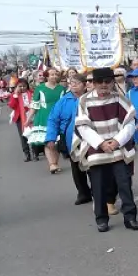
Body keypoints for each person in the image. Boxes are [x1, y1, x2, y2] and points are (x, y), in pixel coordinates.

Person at [75, 67, 138, 233]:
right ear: (93, 83)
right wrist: (101, 143)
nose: (103, 85)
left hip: (117, 149)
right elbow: (83, 127)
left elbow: (129, 123)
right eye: (99, 81)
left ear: (113, 82)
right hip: (97, 151)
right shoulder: (84, 101)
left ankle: (130, 218)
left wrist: (117, 141)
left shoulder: (120, 98)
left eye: (107, 81)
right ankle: (101, 219)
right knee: (98, 187)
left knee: (124, 185)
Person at [46, 73, 92, 205]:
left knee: (93, 166)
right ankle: (83, 193)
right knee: (76, 168)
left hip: (89, 139)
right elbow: (53, 120)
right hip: (71, 139)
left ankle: (98, 191)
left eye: (76, 83)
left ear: (84, 85)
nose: (73, 85)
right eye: (71, 83)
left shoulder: (90, 99)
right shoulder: (63, 101)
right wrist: (50, 138)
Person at [28, 68, 66, 174]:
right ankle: (51, 164)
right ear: (47, 76)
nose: (54, 76)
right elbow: (34, 105)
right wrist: (29, 119)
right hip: (44, 116)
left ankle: (55, 162)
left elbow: (64, 104)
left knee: (57, 142)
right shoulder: (40, 88)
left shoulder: (62, 89)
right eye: (51, 74)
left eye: (55, 74)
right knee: (48, 142)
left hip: (59, 117)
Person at [7, 79, 35, 162]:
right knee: (23, 136)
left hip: (32, 116)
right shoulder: (14, 95)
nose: (22, 88)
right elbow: (12, 106)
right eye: (20, 86)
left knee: (33, 134)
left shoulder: (32, 93)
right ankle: (27, 153)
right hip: (20, 117)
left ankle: (35, 152)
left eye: (24, 86)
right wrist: (15, 95)